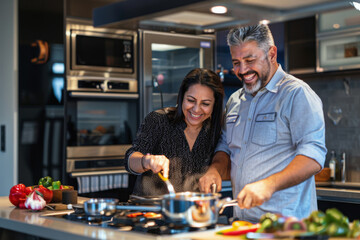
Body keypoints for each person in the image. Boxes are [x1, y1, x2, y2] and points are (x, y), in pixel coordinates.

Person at [199, 24, 327, 222]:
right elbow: (225, 147)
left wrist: (269, 184)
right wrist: (215, 170)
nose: (242, 70)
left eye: (250, 60)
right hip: (243, 225)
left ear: (272, 54)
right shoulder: (235, 100)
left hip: (287, 229)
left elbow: (313, 156)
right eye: (236, 62)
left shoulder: (296, 95)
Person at [125, 68, 224, 196]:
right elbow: (130, 159)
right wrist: (146, 161)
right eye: (191, 100)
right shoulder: (158, 120)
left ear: (215, 105)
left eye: (205, 103)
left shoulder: (216, 130)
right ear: (182, 97)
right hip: (150, 209)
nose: (196, 109)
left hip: (194, 211)